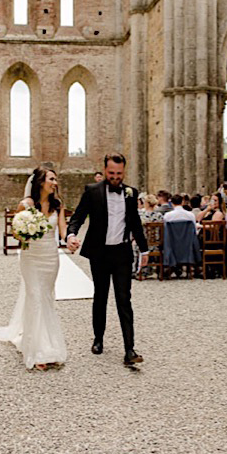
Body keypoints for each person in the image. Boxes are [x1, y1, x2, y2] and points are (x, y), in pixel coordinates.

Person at [66, 153, 148, 367]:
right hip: (100, 253)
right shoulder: (92, 191)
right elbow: (78, 216)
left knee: (124, 299)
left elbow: (135, 223)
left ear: (124, 172)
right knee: (100, 296)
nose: (115, 177)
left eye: (119, 174)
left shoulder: (131, 193)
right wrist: (71, 234)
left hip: (122, 253)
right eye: (111, 173)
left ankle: (129, 349)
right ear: (104, 171)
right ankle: (98, 339)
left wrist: (145, 251)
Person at [0, 167, 69, 371]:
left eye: (56, 179)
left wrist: (70, 239)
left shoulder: (58, 205)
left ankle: (48, 345)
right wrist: (26, 232)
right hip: (31, 258)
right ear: (41, 182)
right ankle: (37, 351)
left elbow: (62, 229)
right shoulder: (25, 205)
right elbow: (15, 234)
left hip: (51, 258)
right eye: (52, 179)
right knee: (35, 297)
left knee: (46, 298)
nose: (55, 182)